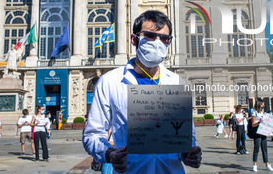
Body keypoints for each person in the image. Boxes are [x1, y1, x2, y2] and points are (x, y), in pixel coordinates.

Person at [83, 10, 202, 173]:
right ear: (134, 39)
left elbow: (186, 137)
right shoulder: (109, 82)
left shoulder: (177, 82)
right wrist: (109, 154)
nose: (158, 42)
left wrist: (188, 154)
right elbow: (92, 135)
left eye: (164, 38)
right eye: (150, 36)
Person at [251, 98, 273, 172]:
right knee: (257, 148)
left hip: (263, 132)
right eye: (263, 104)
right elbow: (253, 124)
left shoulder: (262, 112)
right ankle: (255, 165)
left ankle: (267, 164)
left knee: (265, 148)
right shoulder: (254, 112)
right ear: (260, 104)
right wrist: (259, 122)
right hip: (257, 132)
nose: (264, 105)